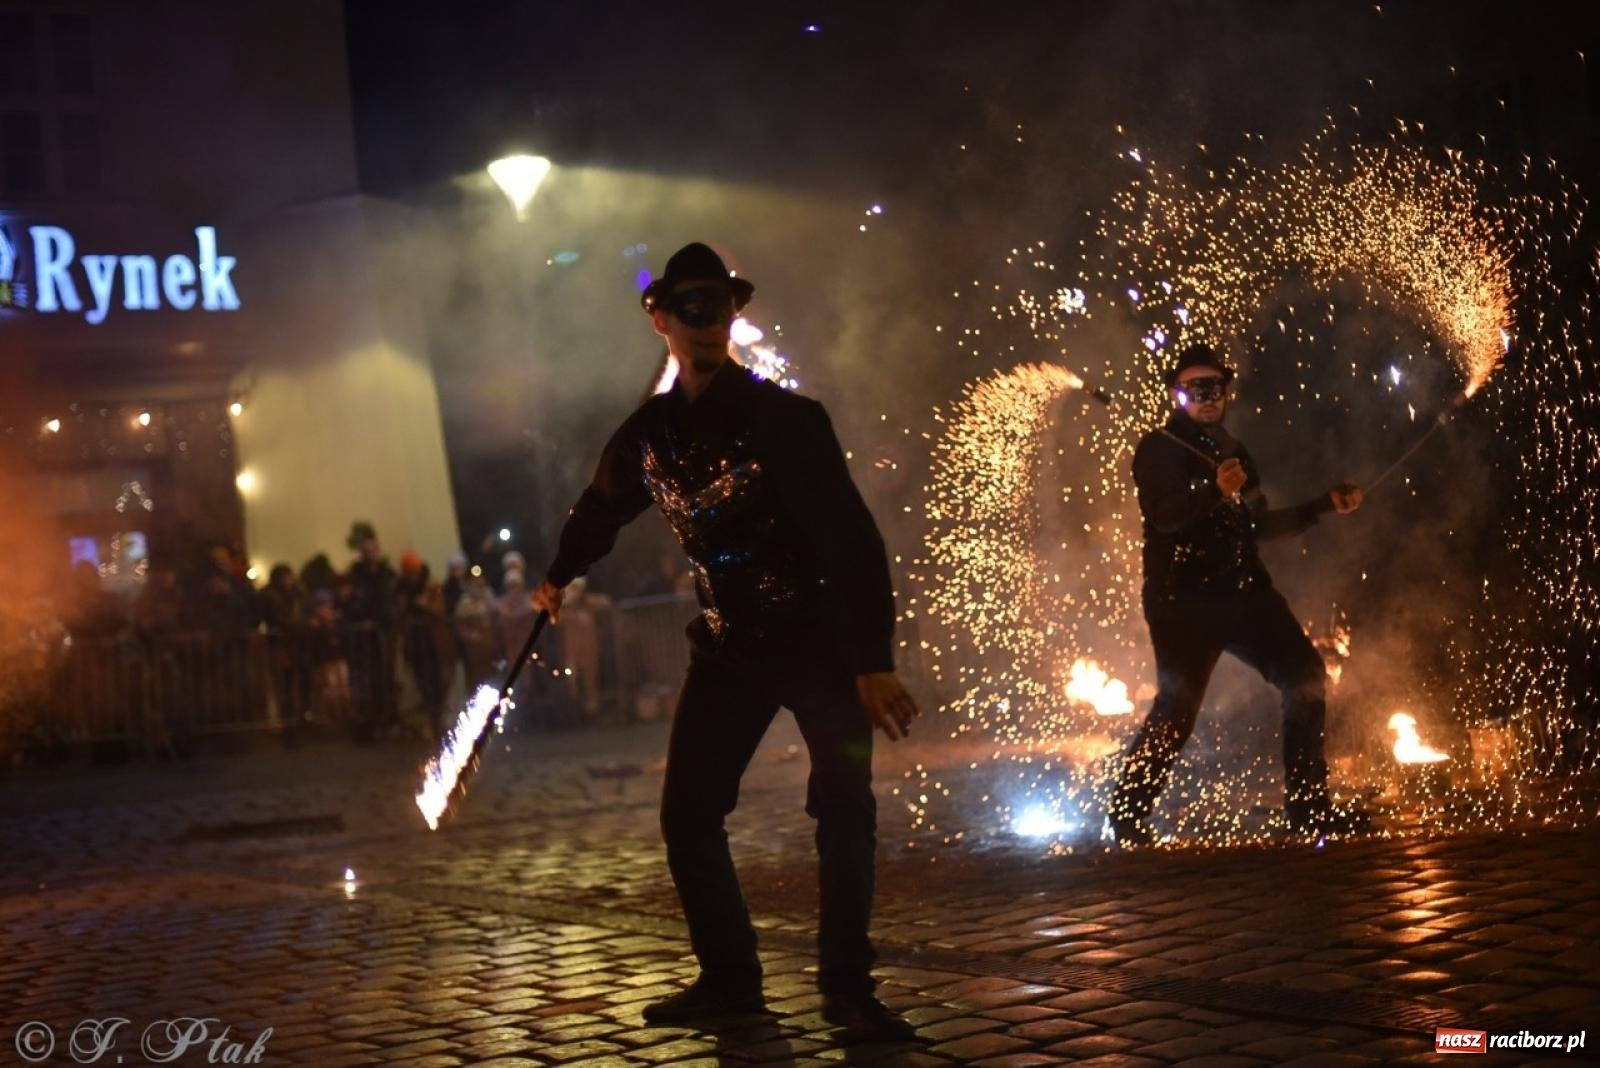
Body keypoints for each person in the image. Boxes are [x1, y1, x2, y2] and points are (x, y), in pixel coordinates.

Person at [533, 242, 920, 1041]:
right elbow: (600, 508)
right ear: (661, 321)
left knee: (844, 811)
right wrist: (558, 574)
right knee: (688, 815)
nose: (711, 324)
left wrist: (873, 662)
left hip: (821, 647)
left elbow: (852, 542)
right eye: (693, 309)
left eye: (722, 307)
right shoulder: (649, 435)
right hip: (730, 649)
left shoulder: (790, 420)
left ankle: (849, 988)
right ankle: (731, 979)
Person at [1109, 344, 1367, 844]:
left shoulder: (1235, 451)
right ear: (1176, 395)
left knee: (1305, 675)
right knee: (1177, 708)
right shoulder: (1159, 449)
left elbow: (1258, 525)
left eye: (1216, 388)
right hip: (1183, 602)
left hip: (1246, 595)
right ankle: (1126, 815)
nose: (1208, 398)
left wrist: (1324, 505)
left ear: (1227, 394)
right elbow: (1165, 517)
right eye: (1196, 389)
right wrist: (1213, 491)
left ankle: (1309, 811)